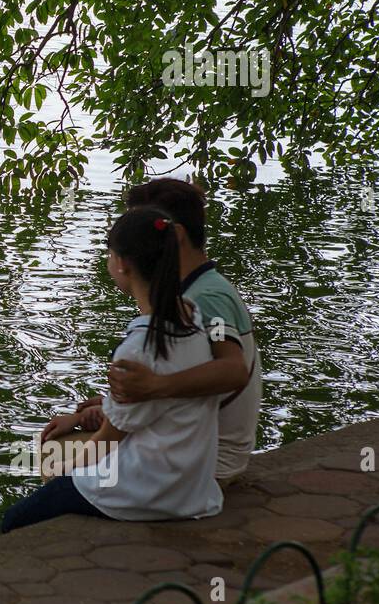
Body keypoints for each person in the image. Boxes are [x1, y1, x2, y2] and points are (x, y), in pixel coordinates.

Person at [0, 207, 223, 531]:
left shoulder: (136, 350)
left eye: (110, 255)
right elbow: (156, 408)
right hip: (193, 489)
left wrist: (63, 473)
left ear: (121, 264)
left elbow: (107, 441)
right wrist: (94, 412)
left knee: (16, 519)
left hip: (144, 492)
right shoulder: (194, 318)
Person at [103, 178, 263, 485]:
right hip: (193, 446)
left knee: (52, 455)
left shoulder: (208, 298)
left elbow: (232, 370)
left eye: (144, 231)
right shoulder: (189, 291)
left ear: (175, 236)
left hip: (210, 458)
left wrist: (154, 387)